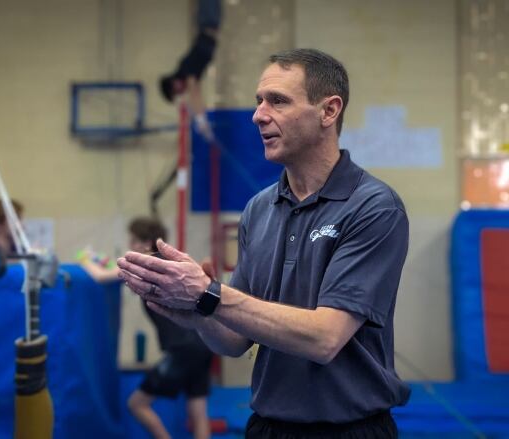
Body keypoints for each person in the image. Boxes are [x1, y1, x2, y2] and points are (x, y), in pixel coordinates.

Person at [118, 48, 410, 438]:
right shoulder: (259, 209)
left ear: (329, 111)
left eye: (278, 101)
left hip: (349, 429)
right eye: (259, 101)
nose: (259, 115)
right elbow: (236, 340)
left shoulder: (373, 207)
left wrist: (211, 295)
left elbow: (325, 338)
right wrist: (196, 312)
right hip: (268, 427)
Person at [80, 217, 214, 439]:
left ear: (146, 242)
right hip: (202, 343)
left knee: (137, 404)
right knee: (198, 413)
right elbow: (115, 269)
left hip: (182, 349)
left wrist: (84, 260)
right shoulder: (167, 263)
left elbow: (101, 276)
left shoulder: (147, 264)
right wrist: (103, 262)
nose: (130, 246)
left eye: (133, 241)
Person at [159, 0, 222, 142]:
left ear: (174, 84)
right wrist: (202, 117)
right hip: (211, 23)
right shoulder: (189, 74)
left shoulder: (186, 69)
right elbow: (196, 93)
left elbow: (194, 92)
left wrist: (200, 119)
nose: (182, 92)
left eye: (177, 92)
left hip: (207, 21)